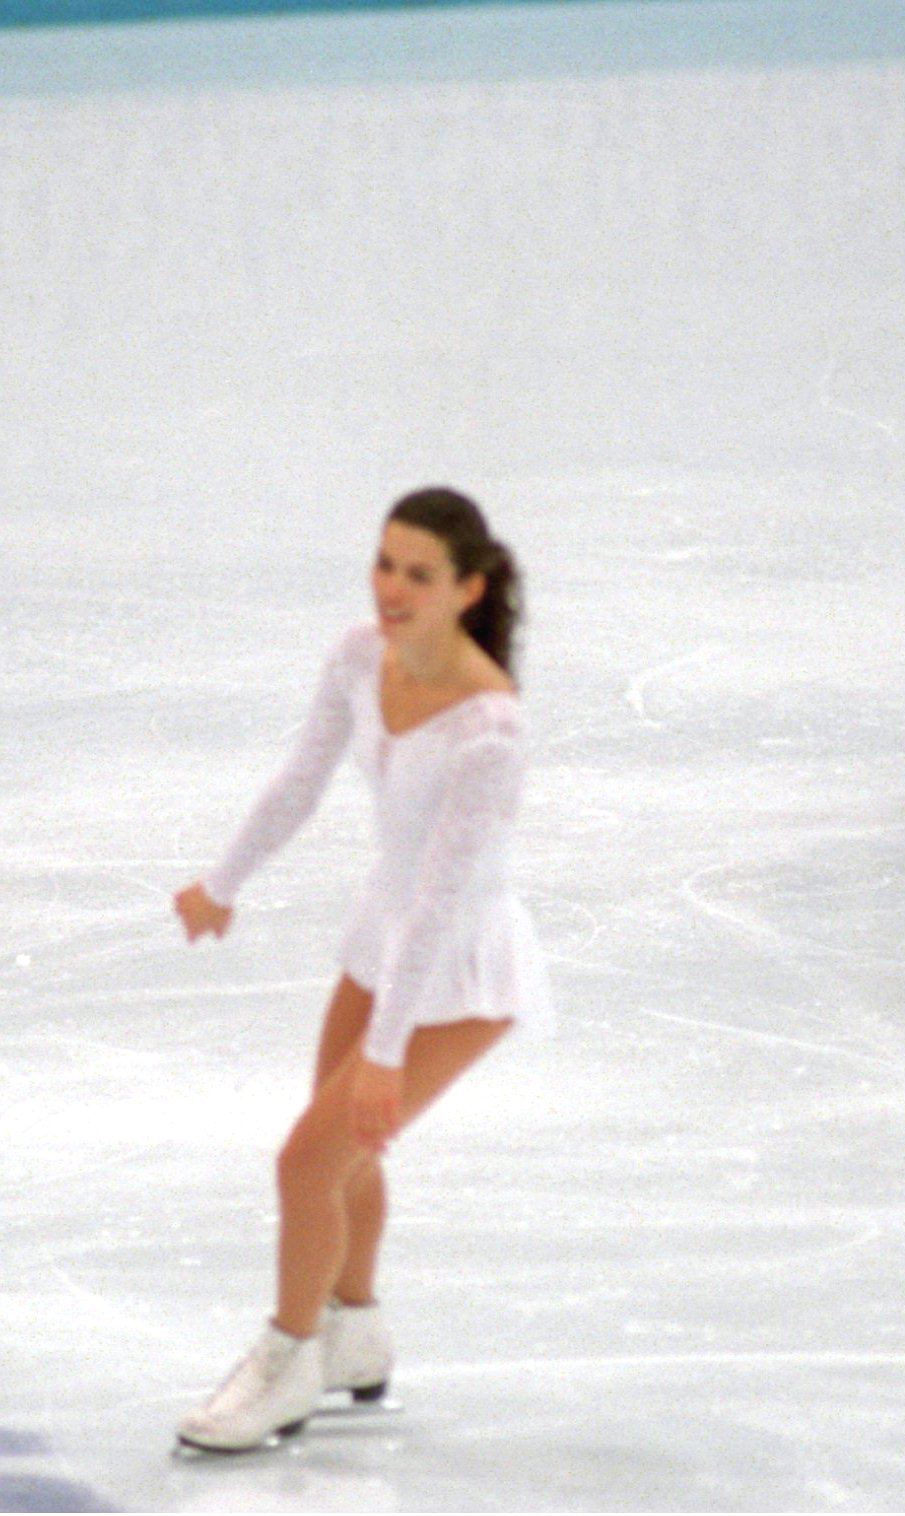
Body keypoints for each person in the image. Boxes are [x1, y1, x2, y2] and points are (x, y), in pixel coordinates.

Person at [172, 486, 552, 1452]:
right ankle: (355, 1332)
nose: (391, 588)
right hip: (382, 939)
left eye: (419, 574)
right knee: (342, 1162)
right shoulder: (357, 655)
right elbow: (300, 781)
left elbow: (443, 901)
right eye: (385, 564)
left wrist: (385, 1053)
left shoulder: (489, 732)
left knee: (307, 1163)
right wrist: (222, 884)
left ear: (467, 589)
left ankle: (288, 1359)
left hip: (460, 973)